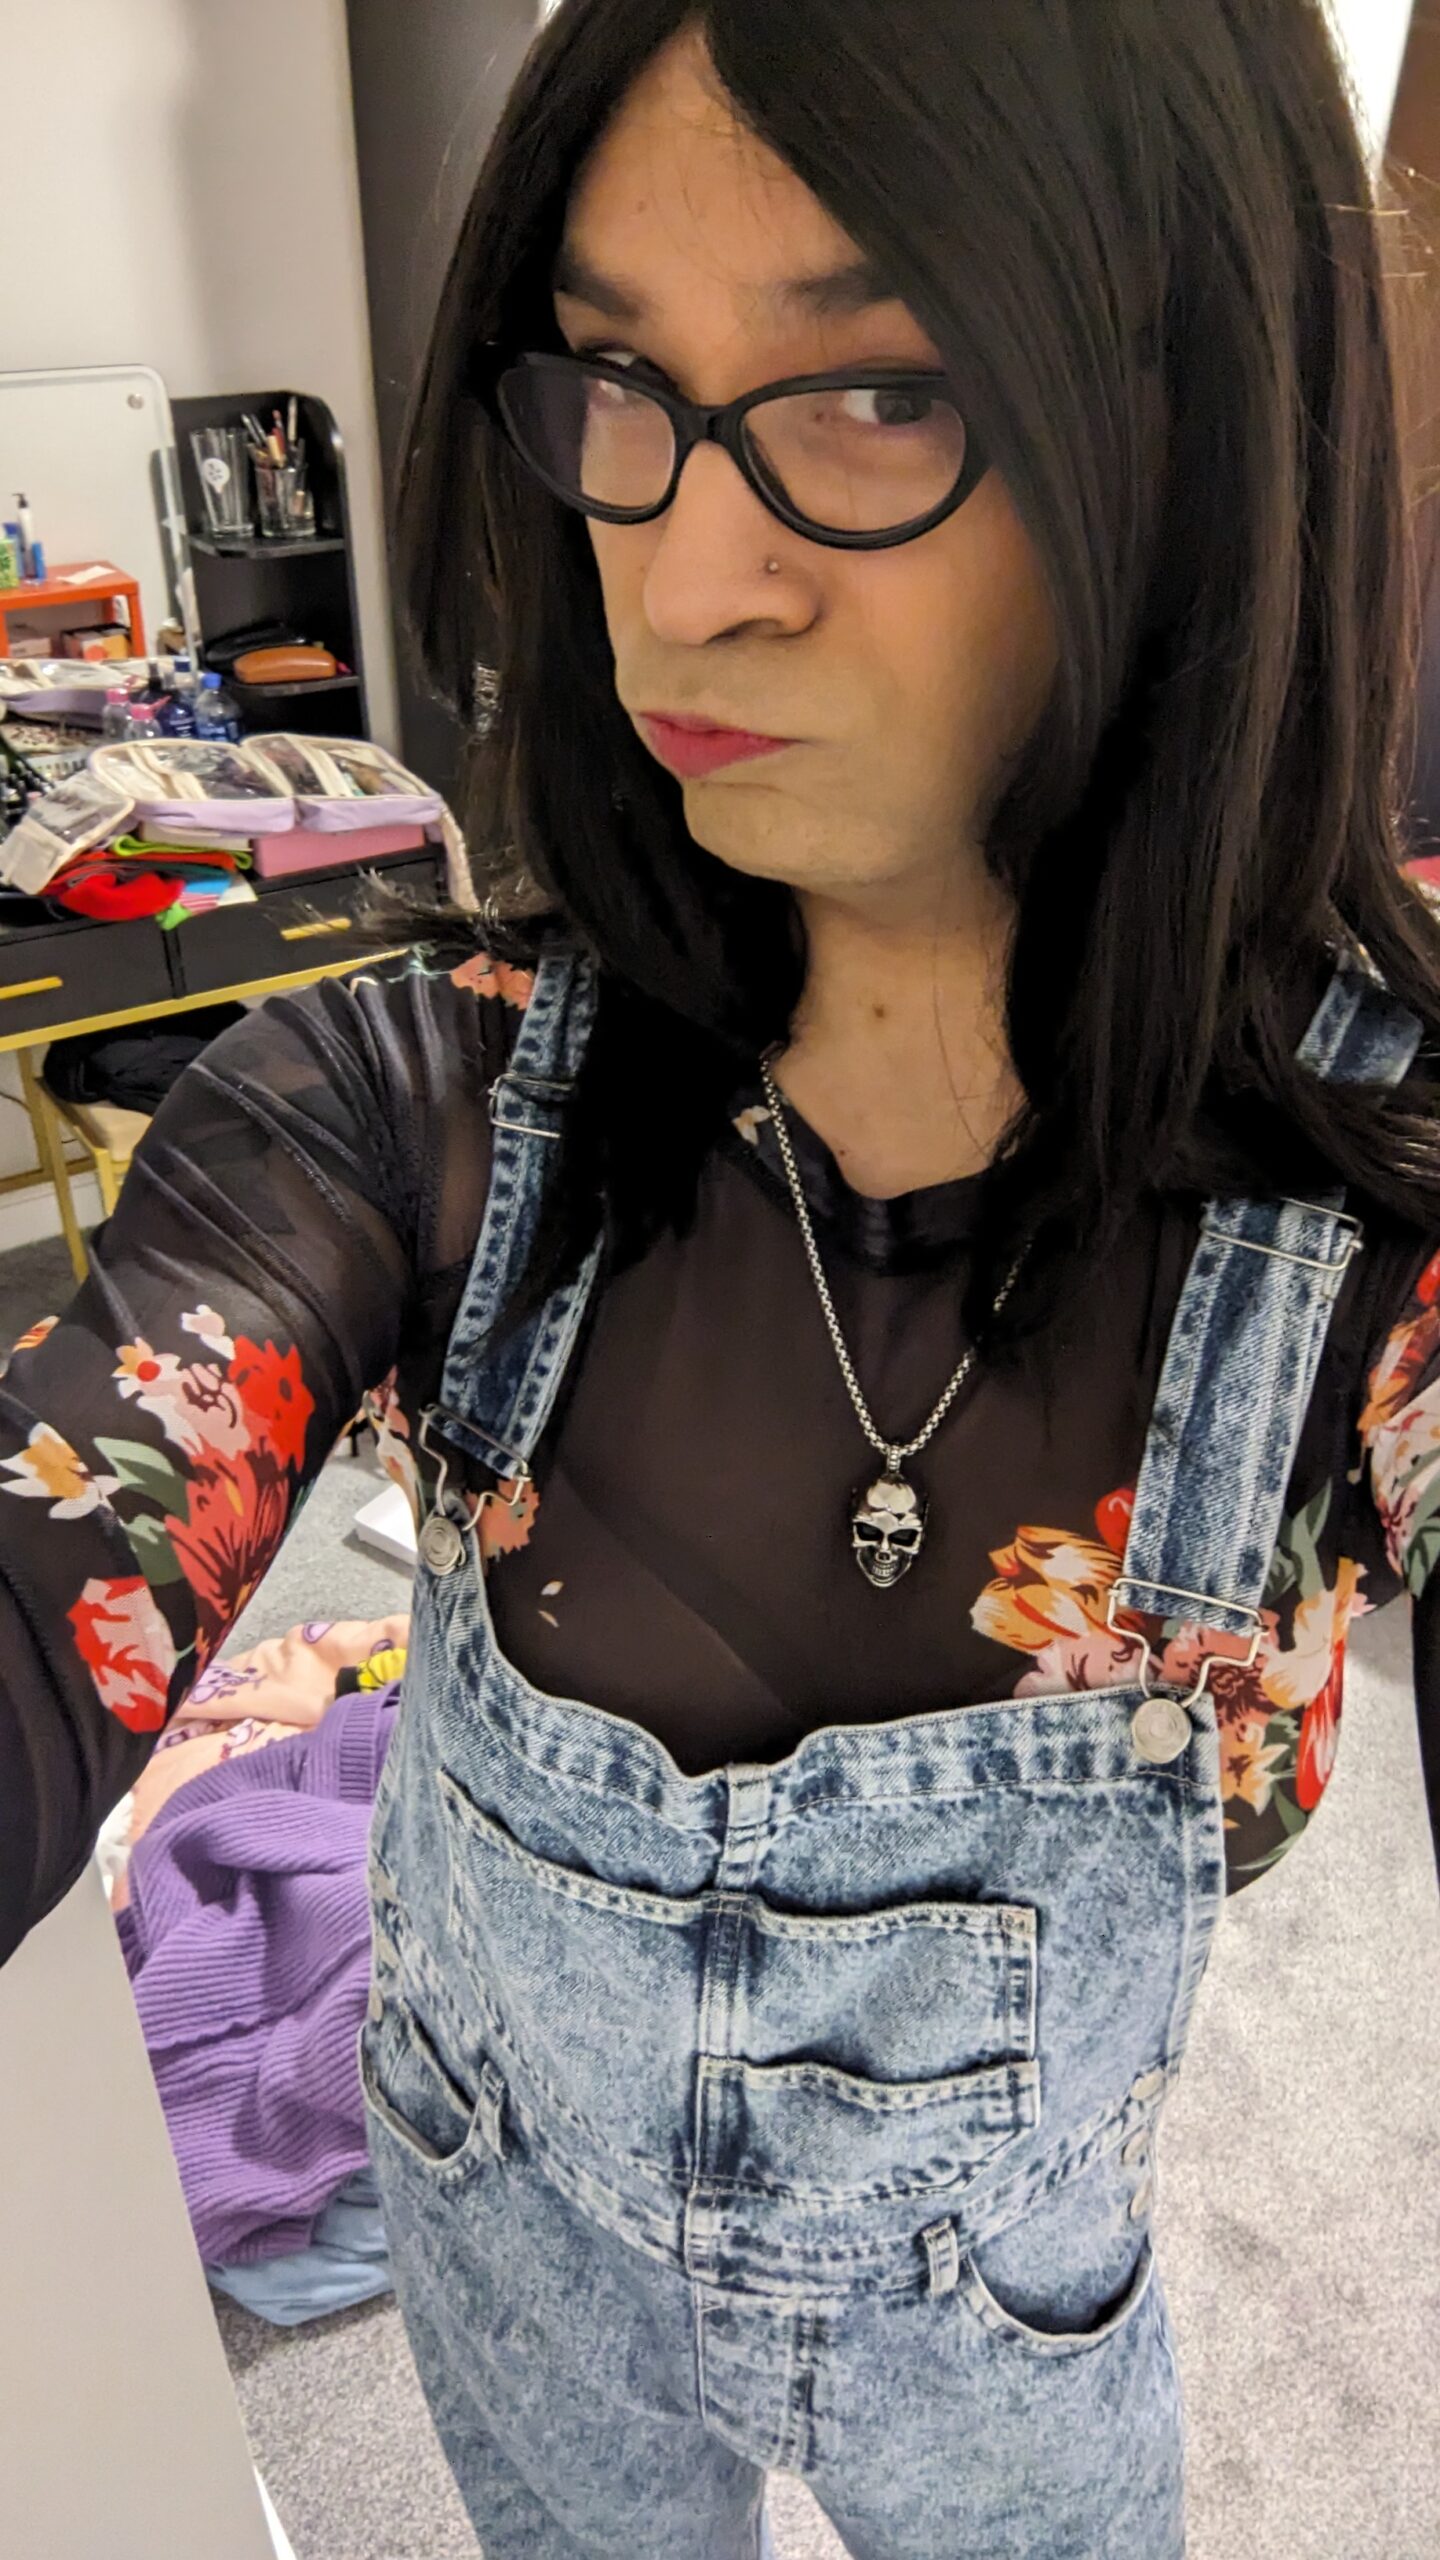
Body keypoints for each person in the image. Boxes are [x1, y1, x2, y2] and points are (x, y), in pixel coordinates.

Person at [3, 3, 1440, 2553]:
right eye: (620, 387)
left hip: (1004, 2323)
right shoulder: (423, 1094)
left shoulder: (1378, 1232)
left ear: (1198, 428)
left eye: (879, 392)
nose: (680, 580)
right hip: (496, 2205)